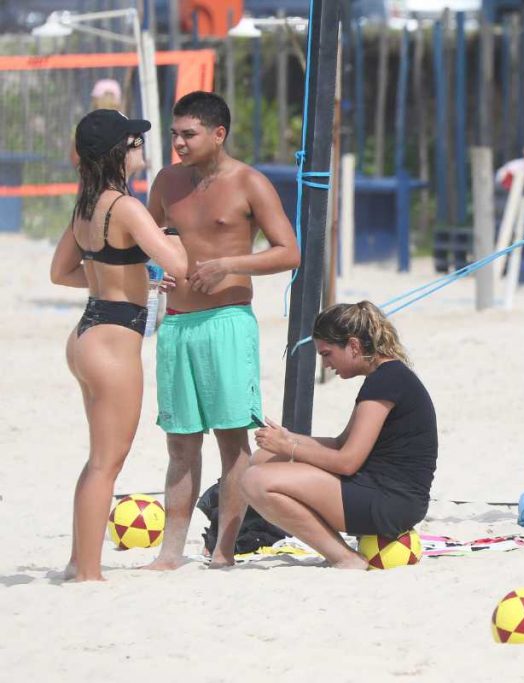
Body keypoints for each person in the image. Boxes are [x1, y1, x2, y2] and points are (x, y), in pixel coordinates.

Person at [144, 91, 300, 570]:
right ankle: (170, 553)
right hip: (176, 324)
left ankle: (224, 550)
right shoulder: (167, 182)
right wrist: (156, 272)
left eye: (188, 134)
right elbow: (144, 241)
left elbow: (289, 251)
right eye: (174, 133)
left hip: (227, 322)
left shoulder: (248, 182)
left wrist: (229, 264)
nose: (178, 143)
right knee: (180, 442)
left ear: (218, 133)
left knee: (231, 439)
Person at [50, 109, 188, 581]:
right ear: (120, 151)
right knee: (107, 464)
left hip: (88, 330)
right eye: (137, 141)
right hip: (113, 341)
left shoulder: (86, 206)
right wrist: (173, 236)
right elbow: (178, 262)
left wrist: (135, 285)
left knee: (97, 461)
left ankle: (77, 561)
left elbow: (61, 272)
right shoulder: (125, 207)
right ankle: (88, 572)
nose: (143, 148)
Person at [242, 302, 438, 570]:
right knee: (262, 459)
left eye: (327, 353)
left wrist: (290, 447)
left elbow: (347, 461)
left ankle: (343, 557)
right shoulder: (387, 376)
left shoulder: (386, 381)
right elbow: (339, 443)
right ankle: (338, 550)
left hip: (393, 501)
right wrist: (288, 439)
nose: (325, 363)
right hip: (385, 491)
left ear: (354, 346)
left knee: (256, 481)